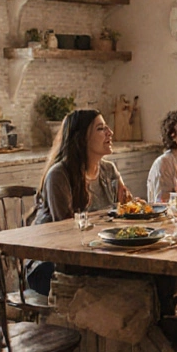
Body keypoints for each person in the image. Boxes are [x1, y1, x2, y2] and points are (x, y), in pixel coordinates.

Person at [26, 109, 130, 295]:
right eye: (100, 129)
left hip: (92, 256)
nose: (110, 133)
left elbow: (123, 211)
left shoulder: (109, 170)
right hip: (51, 264)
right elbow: (67, 230)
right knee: (128, 281)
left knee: (145, 278)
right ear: (81, 138)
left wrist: (128, 208)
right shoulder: (59, 175)